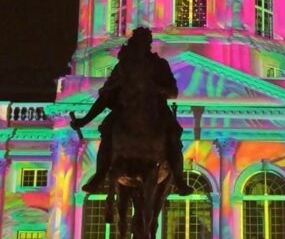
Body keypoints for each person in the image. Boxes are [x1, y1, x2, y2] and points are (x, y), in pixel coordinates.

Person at [70, 27, 194, 195]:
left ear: (149, 44)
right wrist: (84, 120)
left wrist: (155, 88)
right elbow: (106, 96)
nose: (143, 46)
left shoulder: (159, 64)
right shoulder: (124, 67)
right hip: (127, 106)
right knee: (108, 131)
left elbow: (173, 91)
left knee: (173, 133)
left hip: (155, 107)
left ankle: (179, 179)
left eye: (146, 42)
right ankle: (99, 175)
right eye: (140, 42)